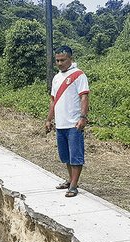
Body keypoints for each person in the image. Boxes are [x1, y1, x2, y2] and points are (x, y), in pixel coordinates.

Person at [45, 46, 89, 198]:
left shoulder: (79, 75)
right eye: (57, 61)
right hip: (61, 123)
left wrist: (83, 117)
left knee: (76, 155)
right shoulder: (56, 78)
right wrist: (49, 119)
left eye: (62, 60)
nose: (59, 63)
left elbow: (84, 97)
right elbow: (53, 101)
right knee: (65, 155)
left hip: (74, 124)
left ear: (71, 58)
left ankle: (74, 185)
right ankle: (70, 179)